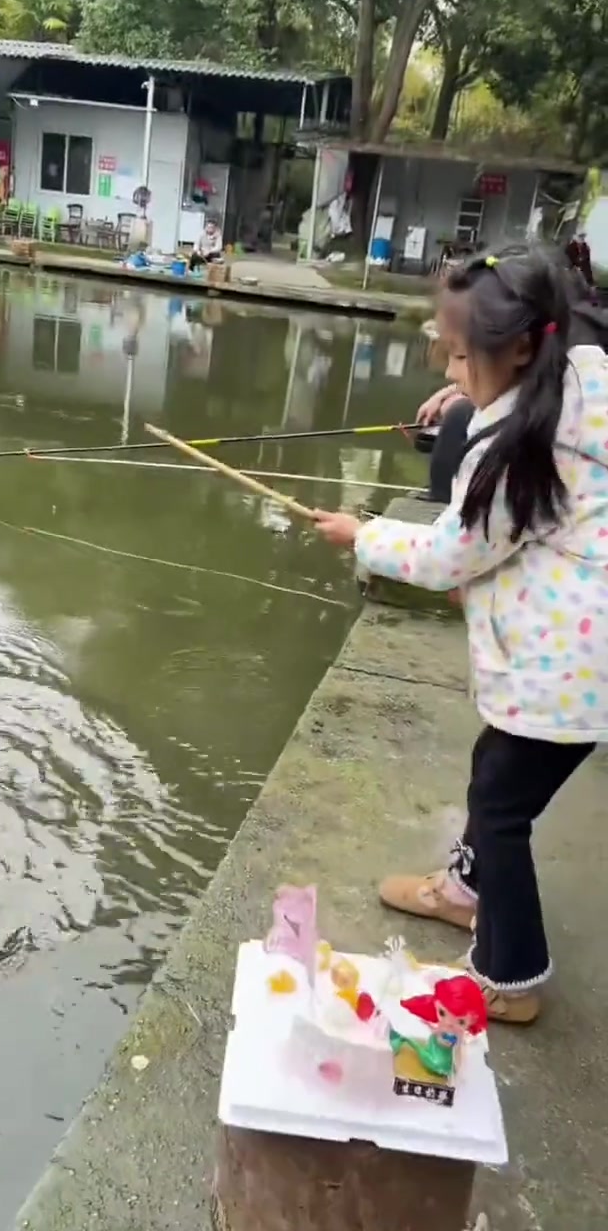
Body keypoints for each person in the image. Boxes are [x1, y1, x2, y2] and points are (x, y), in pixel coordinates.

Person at [314, 247, 608, 1024]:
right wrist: (472, 399)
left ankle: (509, 975)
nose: (451, 363)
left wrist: (362, 535)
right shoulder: (581, 374)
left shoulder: (517, 452)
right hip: (581, 664)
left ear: (517, 349)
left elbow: (451, 551)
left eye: (459, 354)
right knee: (496, 776)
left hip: (567, 675)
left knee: (502, 806)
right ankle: (465, 890)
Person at [419, 267, 608, 504]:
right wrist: (450, 392)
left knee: (457, 414)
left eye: (460, 356)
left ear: (522, 347)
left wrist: (363, 532)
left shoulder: (514, 442)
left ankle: (441, 503)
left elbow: (456, 542)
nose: (449, 373)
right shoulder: (578, 352)